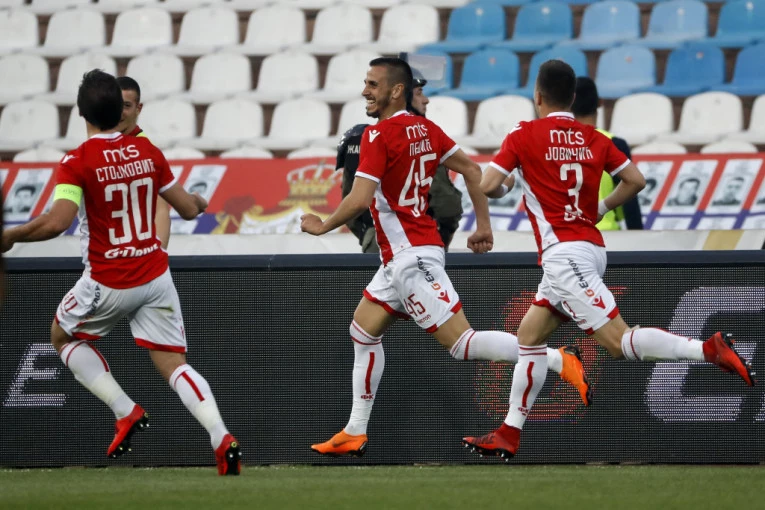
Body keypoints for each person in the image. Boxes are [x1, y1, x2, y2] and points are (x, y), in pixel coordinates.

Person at [301, 57, 592, 458]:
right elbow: (472, 170)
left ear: (396, 91)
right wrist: (483, 225)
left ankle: (559, 360)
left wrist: (323, 225)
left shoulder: (377, 135)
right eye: (365, 83)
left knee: (462, 344)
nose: (365, 91)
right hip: (405, 256)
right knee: (362, 331)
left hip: (411, 258)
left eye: (372, 84)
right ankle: (355, 430)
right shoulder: (427, 129)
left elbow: (360, 198)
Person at [467, 60, 755, 461]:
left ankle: (707, 349)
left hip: (564, 255)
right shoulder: (594, 138)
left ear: (537, 96)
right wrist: (600, 207)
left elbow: (487, 185)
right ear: (572, 98)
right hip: (589, 248)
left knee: (619, 342)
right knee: (529, 338)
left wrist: (510, 183)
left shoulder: (524, 134)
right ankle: (508, 433)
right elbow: (635, 180)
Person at [0, 70, 242, 475]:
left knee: (62, 336)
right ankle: (221, 437)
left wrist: (11, 236)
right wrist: (199, 202)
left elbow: (58, 221)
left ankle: (125, 410)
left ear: (81, 113)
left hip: (108, 279)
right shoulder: (148, 152)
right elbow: (186, 208)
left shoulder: (76, 161)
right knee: (175, 364)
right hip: (155, 276)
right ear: (120, 110)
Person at [335, 70, 463, 253]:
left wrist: (370, 236)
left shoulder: (359, 138)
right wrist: (444, 235)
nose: (426, 100)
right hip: (418, 239)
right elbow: (447, 206)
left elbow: (350, 202)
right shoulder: (423, 139)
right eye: (419, 93)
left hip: (379, 242)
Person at [571, 77, 642, 230]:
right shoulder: (613, 143)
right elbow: (630, 200)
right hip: (605, 233)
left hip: (566, 233)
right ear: (600, 103)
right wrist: (639, 235)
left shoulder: (555, 145)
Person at [116, 76, 171, 249]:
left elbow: (161, 210)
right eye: (115, 104)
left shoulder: (146, 151)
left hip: (137, 254)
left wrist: (159, 253)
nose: (119, 112)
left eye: (126, 105)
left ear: (138, 108)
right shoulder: (98, 144)